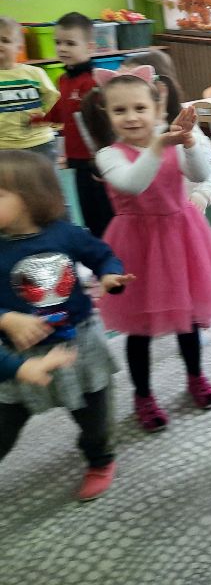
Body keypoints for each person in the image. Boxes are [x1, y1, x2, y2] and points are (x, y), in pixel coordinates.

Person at [81, 65, 211, 433]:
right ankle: (143, 395)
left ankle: (195, 376)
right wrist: (160, 145)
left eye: (140, 108)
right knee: (139, 327)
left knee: (188, 318)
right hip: (136, 245)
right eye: (120, 110)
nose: (131, 117)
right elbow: (133, 184)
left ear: (157, 108)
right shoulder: (108, 155)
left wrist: (189, 143)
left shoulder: (168, 140)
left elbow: (199, 175)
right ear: (107, 114)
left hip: (181, 236)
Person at [0, 150, 133, 500]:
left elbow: (103, 255)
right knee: (4, 426)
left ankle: (100, 460)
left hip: (78, 346)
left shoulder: (65, 234)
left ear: (30, 198)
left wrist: (110, 275)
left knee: (95, 418)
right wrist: (6, 318)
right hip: (17, 356)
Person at [122, 50, 211, 214]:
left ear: (160, 90)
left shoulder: (183, 128)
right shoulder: (130, 129)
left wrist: (202, 195)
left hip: (182, 214)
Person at [42, 12, 114, 237]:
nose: (62, 48)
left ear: (90, 47)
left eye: (70, 43)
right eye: (58, 42)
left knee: (106, 212)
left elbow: (104, 121)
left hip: (97, 158)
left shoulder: (92, 82)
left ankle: (113, 249)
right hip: (77, 158)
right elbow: (61, 110)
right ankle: (98, 248)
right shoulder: (63, 80)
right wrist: (37, 119)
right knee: (88, 211)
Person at [0, 17, 59, 161]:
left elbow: (52, 97)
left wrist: (44, 116)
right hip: (4, 145)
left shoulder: (35, 73)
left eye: (5, 40)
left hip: (39, 140)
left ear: (19, 48)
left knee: (45, 175)